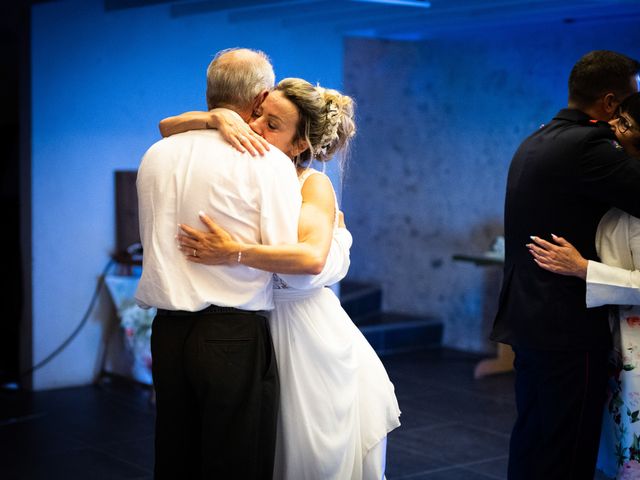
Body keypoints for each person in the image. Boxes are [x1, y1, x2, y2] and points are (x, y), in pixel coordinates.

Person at [161, 77, 401, 479]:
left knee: (304, 453)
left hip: (304, 334)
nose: (254, 127)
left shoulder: (312, 184)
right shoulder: (246, 167)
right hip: (252, 328)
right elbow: (167, 127)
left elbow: (309, 257)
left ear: (299, 145)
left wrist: (233, 251)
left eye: (272, 125)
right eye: (258, 114)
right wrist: (218, 117)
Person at [135, 48, 302, 480]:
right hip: (233, 334)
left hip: (168, 333)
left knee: (175, 457)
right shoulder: (267, 162)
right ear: (261, 97)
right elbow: (285, 260)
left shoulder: (157, 153)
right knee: (237, 462)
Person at [490, 50, 640, 480]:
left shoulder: (537, 138)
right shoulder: (592, 146)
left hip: (529, 315)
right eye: (631, 101)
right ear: (611, 102)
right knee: (568, 448)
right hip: (567, 322)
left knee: (534, 436)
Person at [527, 93, 640, 479]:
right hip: (616, 341)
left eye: (624, 123)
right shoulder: (618, 184)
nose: (612, 127)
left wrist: (583, 269)